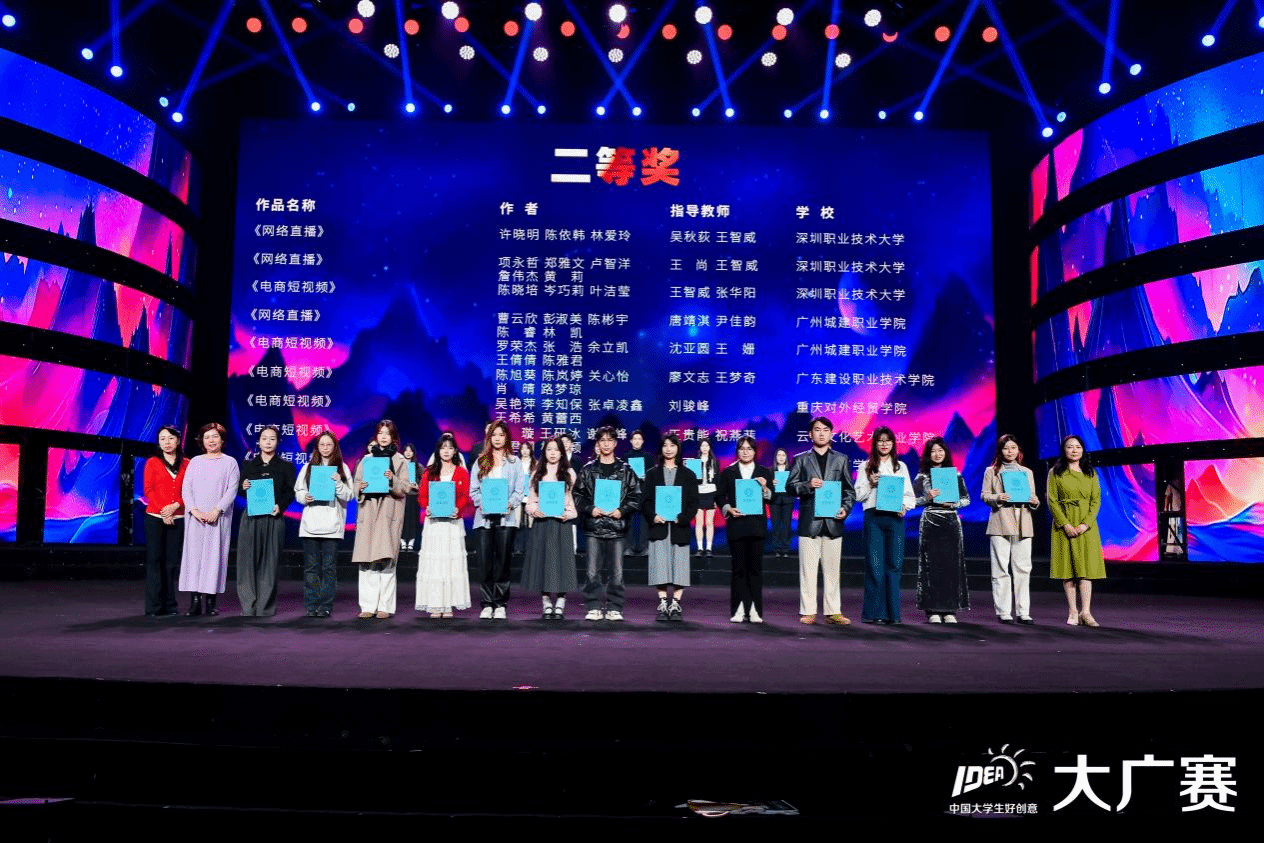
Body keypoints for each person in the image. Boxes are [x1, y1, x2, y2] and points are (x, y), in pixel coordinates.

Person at [787, 417, 856, 625]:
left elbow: (849, 491)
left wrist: (845, 508)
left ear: (831, 433)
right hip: (809, 521)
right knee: (807, 570)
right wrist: (807, 485)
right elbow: (790, 486)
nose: (821, 433)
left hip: (834, 521)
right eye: (817, 430)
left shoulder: (841, 459)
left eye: (825, 430)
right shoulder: (801, 459)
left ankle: (833, 612)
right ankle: (808, 611)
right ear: (810, 434)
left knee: (833, 571)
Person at [573, 426, 642, 621]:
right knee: (592, 572)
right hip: (594, 527)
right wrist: (590, 509)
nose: (606, 444)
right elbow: (577, 495)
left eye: (609, 440)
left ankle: (614, 607)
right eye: (602, 440)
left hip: (617, 528)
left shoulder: (626, 470)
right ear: (597, 443)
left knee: (617, 573)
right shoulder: (588, 470)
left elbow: (636, 496)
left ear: (615, 443)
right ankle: (593, 606)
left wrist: (622, 510)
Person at [853, 427, 916, 625]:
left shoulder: (901, 467)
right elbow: (858, 496)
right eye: (880, 440)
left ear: (893, 443)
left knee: (894, 565)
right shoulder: (865, 466)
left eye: (888, 440)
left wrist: (904, 507)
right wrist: (870, 483)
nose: (884, 444)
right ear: (874, 443)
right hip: (874, 518)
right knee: (875, 566)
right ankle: (875, 613)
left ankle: (893, 614)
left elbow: (910, 495)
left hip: (895, 518)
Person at [178, 423, 240, 617]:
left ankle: (211, 602)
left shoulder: (230, 462)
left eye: (215, 436)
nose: (211, 440)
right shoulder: (195, 462)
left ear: (222, 439)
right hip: (196, 518)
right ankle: (195, 602)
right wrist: (194, 510)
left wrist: (217, 510)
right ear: (202, 441)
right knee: (194, 558)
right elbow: (186, 489)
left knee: (215, 557)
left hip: (218, 517)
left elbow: (232, 490)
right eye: (207, 437)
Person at [352, 419, 411, 619]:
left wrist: (392, 479)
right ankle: (368, 606)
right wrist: (360, 487)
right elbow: (356, 484)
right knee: (367, 560)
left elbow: (406, 487)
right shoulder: (366, 460)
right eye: (380, 433)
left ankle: (385, 606)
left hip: (388, 514)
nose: (383, 437)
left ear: (393, 437)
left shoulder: (400, 460)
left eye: (387, 433)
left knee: (386, 560)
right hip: (369, 513)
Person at [236, 425, 296, 617]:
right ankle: (248, 605)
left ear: (278, 442)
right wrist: (243, 486)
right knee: (247, 562)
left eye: (272, 438)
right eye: (264, 438)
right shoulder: (249, 465)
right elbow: (240, 490)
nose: (268, 442)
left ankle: (265, 607)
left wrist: (281, 506)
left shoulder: (285, 466)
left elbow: (290, 492)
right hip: (251, 518)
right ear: (258, 442)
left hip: (273, 517)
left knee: (269, 563)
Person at [470, 420, 527, 620]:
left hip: (506, 519)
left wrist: (510, 504)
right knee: (485, 563)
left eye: (501, 435)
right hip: (484, 519)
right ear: (489, 438)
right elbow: (474, 490)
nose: (497, 438)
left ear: (507, 438)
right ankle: (487, 604)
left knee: (503, 563)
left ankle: (500, 603)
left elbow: (519, 490)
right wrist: (481, 503)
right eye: (494, 435)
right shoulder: (480, 461)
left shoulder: (514, 462)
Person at [981, 434, 1041, 624]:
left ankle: (1023, 612)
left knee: (1023, 568)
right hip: (1000, 520)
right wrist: (997, 497)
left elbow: (1033, 496)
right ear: (1000, 451)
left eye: (1013, 448)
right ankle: (1004, 611)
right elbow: (984, 495)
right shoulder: (992, 471)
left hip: (1023, 521)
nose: (1010, 451)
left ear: (1018, 451)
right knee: (1000, 568)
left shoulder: (1027, 472)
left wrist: (1034, 501)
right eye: (1006, 448)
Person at [292, 431, 353, 618]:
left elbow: (349, 495)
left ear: (335, 447)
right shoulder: (308, 467)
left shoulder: (342, 468)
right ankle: (311, 605)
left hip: (332, 526)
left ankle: (325, 605)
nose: (325, 448)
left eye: (329, 445)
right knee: (311, 568)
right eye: (322, 445)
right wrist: (305, 496)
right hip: (310, 525)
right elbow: (298, 491)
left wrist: (338, 483)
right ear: (317, 447)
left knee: (328, 568)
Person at [1048, 434, 1105, 627]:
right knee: (1068, 570)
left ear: (1083, 450)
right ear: (1064, 450)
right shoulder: (1055, 472)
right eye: (1070, 447)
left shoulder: (1090, 473)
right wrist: (1065, 524)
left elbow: (1096, 501)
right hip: (1064, 525)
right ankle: (1073, 611)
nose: (1074, 450)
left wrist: (1085, 524)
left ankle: (1086, 612)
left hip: (1086, 526)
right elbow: (1052, 500)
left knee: (1086, 570)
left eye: (1078, 447)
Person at [913, 436, 971, 623]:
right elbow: (912, 501)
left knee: (951, 565)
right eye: (933, 451)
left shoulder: (956, 475)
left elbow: (966, 499)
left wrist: (954, 503)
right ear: (928, 455)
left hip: (951, 521)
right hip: (931, 520)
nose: (937, 454)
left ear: (945, 453)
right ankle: (933, 610)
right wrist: (927, 497)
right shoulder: (922, 477)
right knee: (931, 566)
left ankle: (949, 610)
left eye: (940, 450)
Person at [519, 436, 578, 620]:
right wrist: (533, 510)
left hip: (561, 524)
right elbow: (530, 502)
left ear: (562, 452)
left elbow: (573, 503)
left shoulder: (569, 473)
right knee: (543, 563)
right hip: (542, 524)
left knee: (562, 563)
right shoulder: (537, 472)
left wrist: (569, 514)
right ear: (544, 452)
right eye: (549, 449)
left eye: (556, 450)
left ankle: (560, 601)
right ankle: (546, 602)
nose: (553, 453)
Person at [642, 433, 698, 622]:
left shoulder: (688, 474)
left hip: (679, 528)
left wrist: (683, 518)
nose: (668, 449)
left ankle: (675, 603)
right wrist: (653, 516)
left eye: (672, 445)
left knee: (680, 566)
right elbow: (645, 501)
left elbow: (693, 503)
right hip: (659, 528)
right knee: (660, 566)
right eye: (665, 445)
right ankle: (663, 603)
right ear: (661, 449)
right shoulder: (652, 473)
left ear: (678, 448)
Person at [717, 436, 773, 624]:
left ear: (755, 451)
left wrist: (765, 487)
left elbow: (772, 498)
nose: (745, 452)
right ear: (737, 451)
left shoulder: (763, 472)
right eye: (742, 448)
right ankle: (738, 609)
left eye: (749, 448)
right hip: (737, 526)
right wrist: (728, 509)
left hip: (757, 527)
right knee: (738, 569)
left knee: (755, 570)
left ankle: (755, 609)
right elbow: (719, 496)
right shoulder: (729, 472)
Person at [415, 432, 472, 618]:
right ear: (438, 451)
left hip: (452, 524)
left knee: (450, 563)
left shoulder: (462, 472)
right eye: (443, 447)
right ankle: (435, 604)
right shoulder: (429, 472)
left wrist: (458, 508)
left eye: (450, 448)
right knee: (435, 563)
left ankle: (448, 605)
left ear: (455, 451)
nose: (446, 451)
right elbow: (422, 496)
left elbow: (464, 495)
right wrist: (427, 506)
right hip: (434, 524)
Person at [141, 424, 188, 617]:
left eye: (170, 438)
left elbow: (191, 491)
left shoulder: (187, 464)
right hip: (155, 517)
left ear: (178, 440)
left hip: (178, 517)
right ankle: (153, 606)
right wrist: (164, 511)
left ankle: (170, 605)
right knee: (154, 560)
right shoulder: (152, 462)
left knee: (171, 563)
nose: (167, 442)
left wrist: (175, 506)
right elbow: (148, 490)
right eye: (162, 439)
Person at [623, 430, 650, 557]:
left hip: (644, 492)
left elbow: (653, 476)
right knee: (629, 521)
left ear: (643, 441)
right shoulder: (625, 457)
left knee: (645, 522)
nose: (637, 441)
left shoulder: (648, 457)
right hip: (630, 493)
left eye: (639, 439)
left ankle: (645, 547)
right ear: (631, 441)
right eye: (635, 439)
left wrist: (646, 477)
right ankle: (629, 547)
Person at [692, 437, 719, 557]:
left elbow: (718, 480)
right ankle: (699, 548)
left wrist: (717, 498)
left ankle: (708, 548)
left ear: (709, 447)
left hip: (711, 492)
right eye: (702, 446)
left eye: (706, 446)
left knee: (709, 522)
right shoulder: (695, 462)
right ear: (700, 448)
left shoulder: (714, 462)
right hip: (698, 493)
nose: (704, 448)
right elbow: (692, 481)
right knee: (699, 522)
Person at [768, 447, 794, 559]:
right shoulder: (770, 470)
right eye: (779, 455)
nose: (781, 457)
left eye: (783, 455)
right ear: (776, 457)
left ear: (786, 457)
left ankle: (785, 548)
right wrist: (771, 483)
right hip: (775, 500)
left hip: (788, 499)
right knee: (776, 525)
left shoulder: (791, 470)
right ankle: (777, 549)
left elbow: (795, 484)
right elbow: (766, 486)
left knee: (787, 525)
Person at [513, 440, 536, 558]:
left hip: (530, 497)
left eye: (527, 448)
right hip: (518, 497)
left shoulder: (535, 464)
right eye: (523, 449)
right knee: (518, 523)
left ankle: (529, 549)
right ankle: (517, 548)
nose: (525, 451)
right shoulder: (516, 463)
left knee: (530, 524)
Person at [400, 443, 421, 551]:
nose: (408, 453)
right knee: (402, 520)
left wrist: (418, 486)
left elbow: (424, 481)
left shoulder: (418, 466)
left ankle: (411, 542)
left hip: (413, 496)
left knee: (412, 520)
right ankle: (402, 542)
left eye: (410, 451)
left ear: (413, 453)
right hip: (401, 496)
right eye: (406, 450)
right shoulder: (399, 465)